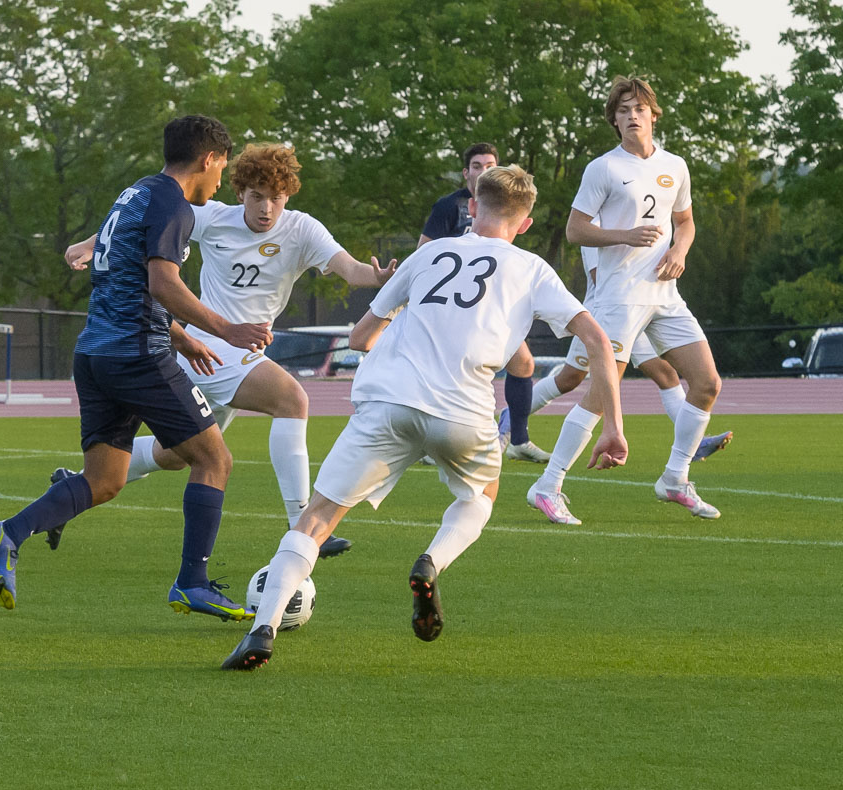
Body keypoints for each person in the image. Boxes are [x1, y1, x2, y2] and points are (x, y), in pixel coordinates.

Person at [222, 165, 627, 670]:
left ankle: (263, 628)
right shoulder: (532, 269)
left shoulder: (430, 253)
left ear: (473, 207)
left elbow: (360, 338)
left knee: (317, 519)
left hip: (388, 403)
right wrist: (613, 424)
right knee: (480, 497)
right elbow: (597, 342)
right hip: (464, 412)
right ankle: (431, 562)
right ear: (523, 225)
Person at [0, 115, 273, 620]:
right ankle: (192, 582)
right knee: (214, 460)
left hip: (95, 355)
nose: (221, 180)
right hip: (137, 357)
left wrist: (181, 339)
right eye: (222, 167)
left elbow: (127, 287)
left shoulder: (134, 194)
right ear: (209, 159)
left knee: (105, 480)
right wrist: (228, 331)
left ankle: (9, 533)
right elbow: (162, 285)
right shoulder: (172, 205)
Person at [64, 143, 397, 559]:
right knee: (292, 399)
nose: (267, 208)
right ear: (239, 192)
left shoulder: (302, 229)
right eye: (257, 196)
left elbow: (350, 269)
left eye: (276, 198)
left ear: (288, 196)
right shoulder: (211, 217)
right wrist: (91, 242)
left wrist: (378, 276)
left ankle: (73, 486)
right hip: (210, 346)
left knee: (173, 456)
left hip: (240, 351)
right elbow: (139, 222)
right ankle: (303, 523)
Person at [527, 75, 723, 526]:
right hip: (617, 298)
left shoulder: (676, 164)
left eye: (639, 108)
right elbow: (576, 229)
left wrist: (679, 250)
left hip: (665, 295)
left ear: (654, 114)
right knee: (597, 395)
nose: (632, 116)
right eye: (623, 110)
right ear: (614, 121)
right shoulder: (604, 168)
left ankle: (675, 478)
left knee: (708, 383)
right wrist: (625, 235)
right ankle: (547, 485)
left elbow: (686, 222)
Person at [528, 242, 733, 462]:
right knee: (575, 382)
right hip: (608, 314)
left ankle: (694, 444)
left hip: (636, 310)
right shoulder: (596, 221)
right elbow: (602, 278)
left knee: (664, 374)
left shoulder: (630, 216)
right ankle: (517, 423)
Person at [420, 143, 548, 463]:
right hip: (455, 307)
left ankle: (518, 439)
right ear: (466, 173)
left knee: (523, 364)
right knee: (452, 370)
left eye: (490, 165)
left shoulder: (505, 205)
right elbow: (424, 252)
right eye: (476, 166)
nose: (483, 171)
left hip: (493, 303)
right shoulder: (450, 206)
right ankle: (430, 442)